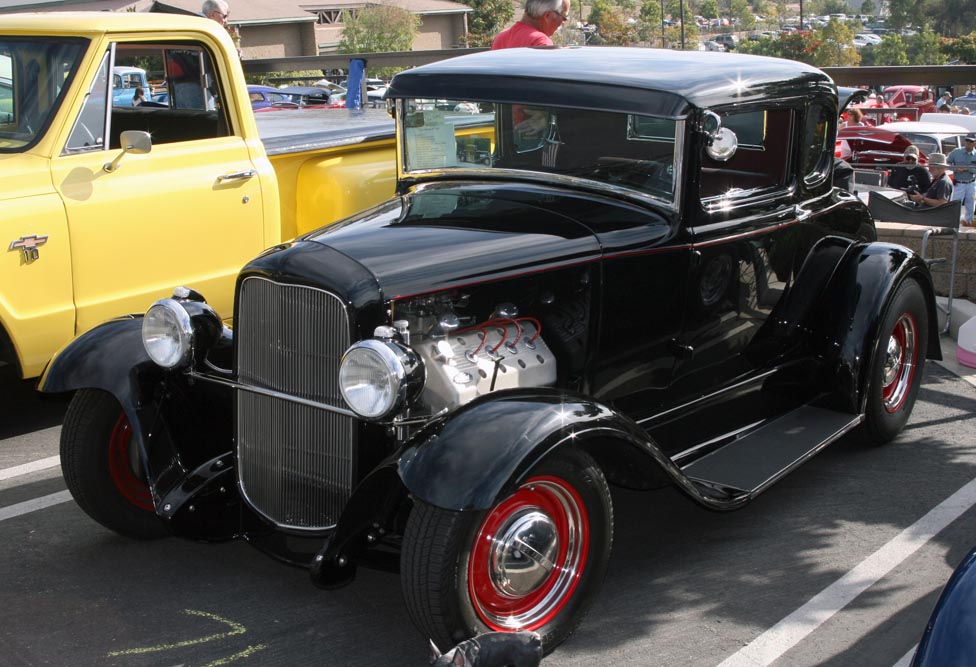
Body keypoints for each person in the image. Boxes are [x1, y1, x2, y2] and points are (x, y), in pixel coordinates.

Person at [491, 0, 572, 49]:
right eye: (564, 17)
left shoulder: (501, 37)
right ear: (548, 16)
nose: (563, 22)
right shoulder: (541, 43)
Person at [947, 133, 976, 226]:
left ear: (975, 143)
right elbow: (947, 163)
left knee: (970, 204)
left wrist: (967, 169)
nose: (968, 143)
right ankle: (953, 222)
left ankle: (968, 222)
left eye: (971, 141)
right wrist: (956, 169)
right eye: (967, 140)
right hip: (959, 183)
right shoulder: (956, 152)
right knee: (956, 203)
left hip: (971, 183)